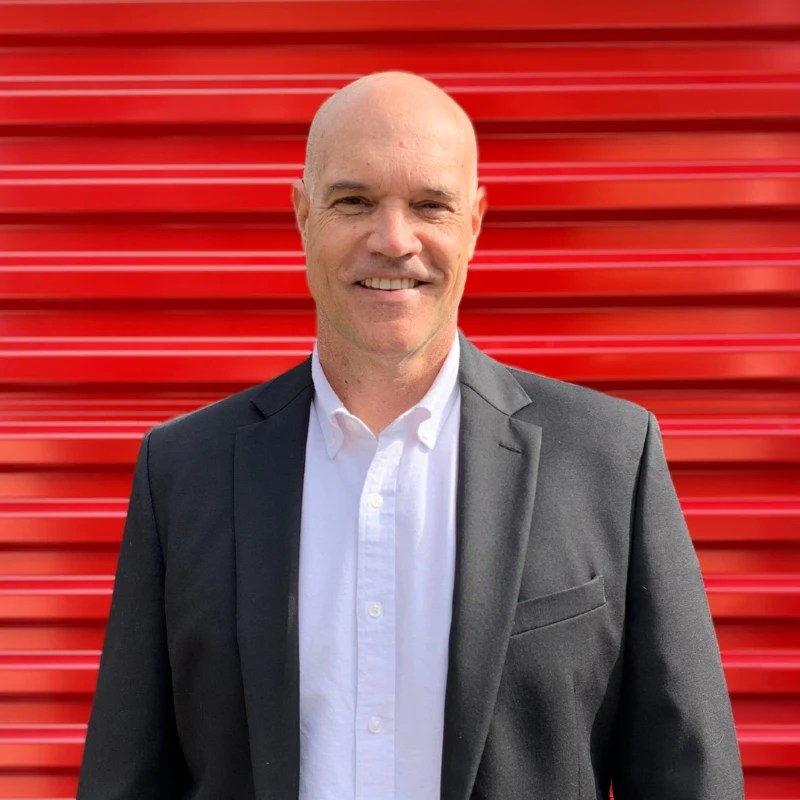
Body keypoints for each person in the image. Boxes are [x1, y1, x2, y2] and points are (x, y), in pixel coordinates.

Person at [77, 72, 743, 799]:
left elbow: (688, 775)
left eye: (430, 204)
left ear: (475, 223)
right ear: (302, 216)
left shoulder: (611, 460)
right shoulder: (184, 472)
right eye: (353, 201)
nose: (394, 240)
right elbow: (126, 777)